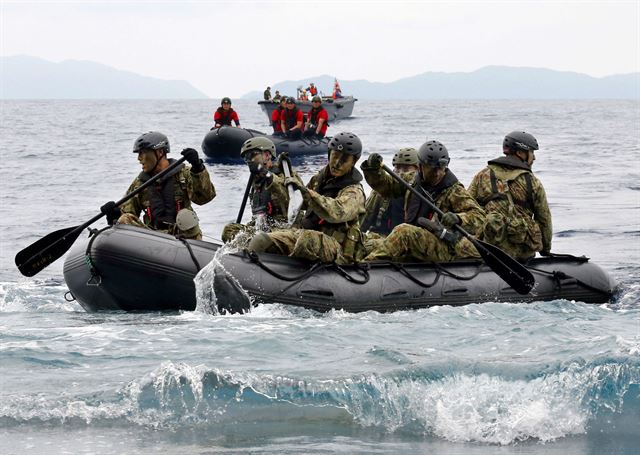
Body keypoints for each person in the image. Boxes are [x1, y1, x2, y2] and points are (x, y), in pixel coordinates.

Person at [248, 132, 367, 264]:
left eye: (344, 160)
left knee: (307, 238)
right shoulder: (320, 179)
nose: (337, 163)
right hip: (309, 233)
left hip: (337, 248)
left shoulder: (354, 192)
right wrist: (283, 175)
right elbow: (300, 202)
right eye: (335, 156)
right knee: (261, 239)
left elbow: (336, 212)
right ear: (329, 154)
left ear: (353, 162)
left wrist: (306, 192)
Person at [361, 140, 486, 263]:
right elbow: (387, 185)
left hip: (444, 246)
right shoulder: (412, 181)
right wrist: (373, 170)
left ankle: (367, 265)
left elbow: (479, 217)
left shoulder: (454, 190)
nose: (437, 173)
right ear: (420, 166)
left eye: (441, 168)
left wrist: (458, 218)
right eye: (432, 169)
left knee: (404, 231)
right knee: (367, 241)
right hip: (418, 241)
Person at [100, 131, 216, 240]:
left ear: (160, 152)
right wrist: (114, 214)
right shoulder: (140, 183)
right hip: (153, 238)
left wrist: (198, 167)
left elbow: (205, 198)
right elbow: (128, 213)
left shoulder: (184, 174)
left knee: (186, 217)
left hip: (184, 236)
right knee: (125, 219)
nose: (139, 158)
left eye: (142, 153)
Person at [468, 130, 552, 260]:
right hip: (521, 254)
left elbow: (468, 208)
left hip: (489, 250)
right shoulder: (532, 182)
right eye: (531, 152)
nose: (534, 158)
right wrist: (546, 250)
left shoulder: (482, 176)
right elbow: (544, 219)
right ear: (520, 153)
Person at [221, 137, 291, 243]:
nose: (249, 160)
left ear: (267, 155)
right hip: (263, 229)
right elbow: (258, 218)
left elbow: (287, 198)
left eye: (252, 155)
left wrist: (265, 173)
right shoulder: (257, 184)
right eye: (246, 157)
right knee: (229, 231)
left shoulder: (285, 175)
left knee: (261, 238)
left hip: (284, 231)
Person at [360, 147, 419, 235]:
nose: (401, 173)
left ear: (418, 170)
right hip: (380, 238)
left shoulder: (420, 193)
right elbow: (366, 218)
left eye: (406, 169)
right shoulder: (381, 191)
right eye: (397, 168)